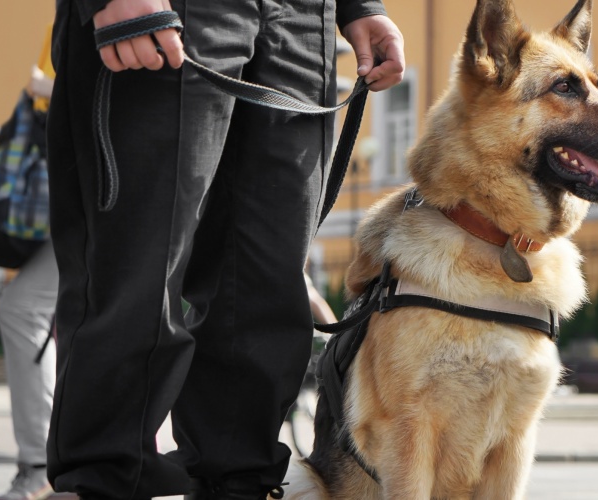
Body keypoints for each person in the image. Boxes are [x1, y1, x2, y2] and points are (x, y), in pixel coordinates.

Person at [45, 0, 404, 498]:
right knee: (136, 273)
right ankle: (99, 486)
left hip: (302, 19)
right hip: (171, 10)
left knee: (265, 285)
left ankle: (238, 485)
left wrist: (359, 6)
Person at [0, 62, 62, 500]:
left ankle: (42, 465)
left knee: (21, 308)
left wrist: (48, 88)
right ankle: (50, 464)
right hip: (78, 192)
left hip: (104, 190)